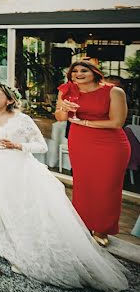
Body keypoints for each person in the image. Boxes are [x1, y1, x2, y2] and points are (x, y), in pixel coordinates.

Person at [0, 84, 128, 292]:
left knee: (18, 209)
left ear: (10, 100)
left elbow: (42, 146)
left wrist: (17, 146)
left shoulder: (22, 120)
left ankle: (27, 249)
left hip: (18, 170)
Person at [56, 60, 130, 247]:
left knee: (107, 187)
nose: (78, 74)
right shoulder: (66, 90)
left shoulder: (114, 92)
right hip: (80, 142)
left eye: (83, 71)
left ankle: (102, 228)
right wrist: (64, 109)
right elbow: (59, 118)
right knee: (83, 184)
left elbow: (117, 122)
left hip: (110, 144)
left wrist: (86, 124)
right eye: (74, 71)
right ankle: (83, 225)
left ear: (95, 73)